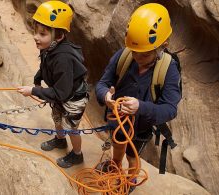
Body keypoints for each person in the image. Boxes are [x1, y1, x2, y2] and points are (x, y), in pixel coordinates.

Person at [95, 3, 181, 191]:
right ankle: (115, 166)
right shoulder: (124, 56)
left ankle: (130, 180)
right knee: (118, 145)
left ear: (162, 46)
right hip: (118, 120)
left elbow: (170, 109)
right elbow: (101, 84)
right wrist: (106, 97)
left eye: (144, 54)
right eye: (135, 52)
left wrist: (140, 107)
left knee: (133, 156)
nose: (137, 57)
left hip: (141, 127)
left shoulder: (169, 70)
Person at [17, 1, 89, 168]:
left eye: (42, 34)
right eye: (36, 32)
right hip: (61, 91)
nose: (36, 37)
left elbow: (62, 93)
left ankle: (77, 154)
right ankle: (60, 140)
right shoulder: (48, 47)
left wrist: (35, 90)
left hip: (73, 97)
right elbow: (45, 65)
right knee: (57, 118)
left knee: (71, 126)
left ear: (59, 36)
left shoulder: (63, 58)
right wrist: (38, 77)